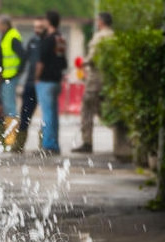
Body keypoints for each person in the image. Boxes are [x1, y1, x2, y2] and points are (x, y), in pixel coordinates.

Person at [72, 12, 114, 153]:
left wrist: (82, 62)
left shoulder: (100, 36)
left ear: (101, 22)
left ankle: (87, 142)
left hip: (96, 78)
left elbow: (93, 57)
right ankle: (124, 136)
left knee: (88, 108)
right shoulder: (113, 36)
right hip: (107, 77)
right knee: (103, 108)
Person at [9, 17, 46, 152]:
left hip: (43, 83)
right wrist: (18, 74)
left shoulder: (48, 42)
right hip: (30, 83)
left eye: (40, 28)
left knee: (45, 116)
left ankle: (43, 144)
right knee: (25, 114)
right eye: (35, 27)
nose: (37, 30)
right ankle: (19, 144)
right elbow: (25, 60)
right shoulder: (32, 41)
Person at [35, 10, 67, 155]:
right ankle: (54, 144)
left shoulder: (47, 40)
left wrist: (36, 77)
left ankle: (47, 145)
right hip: (56, 81)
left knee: (47, 114)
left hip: (46, 81)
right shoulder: (60, 38)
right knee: (54, 114)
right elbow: (63, 61)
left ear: (48, 22)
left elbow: (41, 62)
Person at [0, 15, 26, 145]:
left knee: (10, 106)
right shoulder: (5, 36)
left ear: (5, 25)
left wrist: (18, 73)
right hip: (5, 76)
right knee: (5, 106)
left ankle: (11, 136)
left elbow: (23, 56)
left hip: (11, 76)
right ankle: (4, 135)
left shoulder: (12, 37)